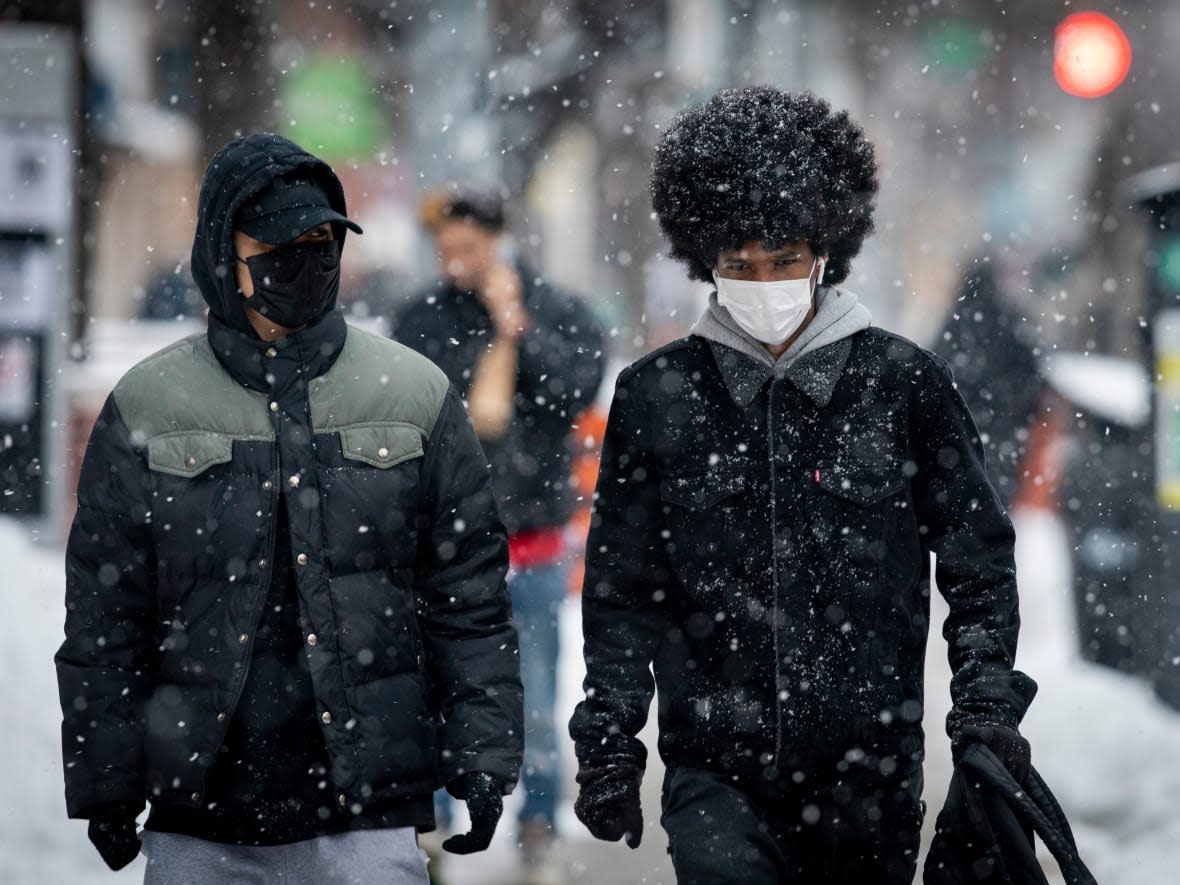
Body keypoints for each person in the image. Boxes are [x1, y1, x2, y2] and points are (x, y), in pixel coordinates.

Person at [568, 87, 1038, 884]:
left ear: (825, 249)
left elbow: (978, 562)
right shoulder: (657, 395)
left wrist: (987, 704)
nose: (764, 281)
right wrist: (609, 738)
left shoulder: (904, 385)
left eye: (783, 259)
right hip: (714, 772)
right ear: (704, 261)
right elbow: (622, 589)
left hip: (869, 776)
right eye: (738, 265)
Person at [56, 133, 523, 883]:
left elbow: (466, 597)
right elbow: (107, 614)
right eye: (277, 244)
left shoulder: (412, 394)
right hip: (201, 813)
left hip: (366, 811)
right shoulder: (150, 404)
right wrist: (106, 778)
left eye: (320, 240)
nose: (304, 260)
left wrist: (483, 755)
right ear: (223, 254)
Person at [394, 185, 604, 882]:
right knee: (436, 691)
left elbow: (574, 388)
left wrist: (516, 325)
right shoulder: (420, 317)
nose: (455, 262)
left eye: (468, 248)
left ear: (499, 239)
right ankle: (435, 824)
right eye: (444, 250)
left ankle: (538, 817)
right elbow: (413, 407)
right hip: (444, 546)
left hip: (531, 541)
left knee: (537, 696)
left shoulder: (559, 309)